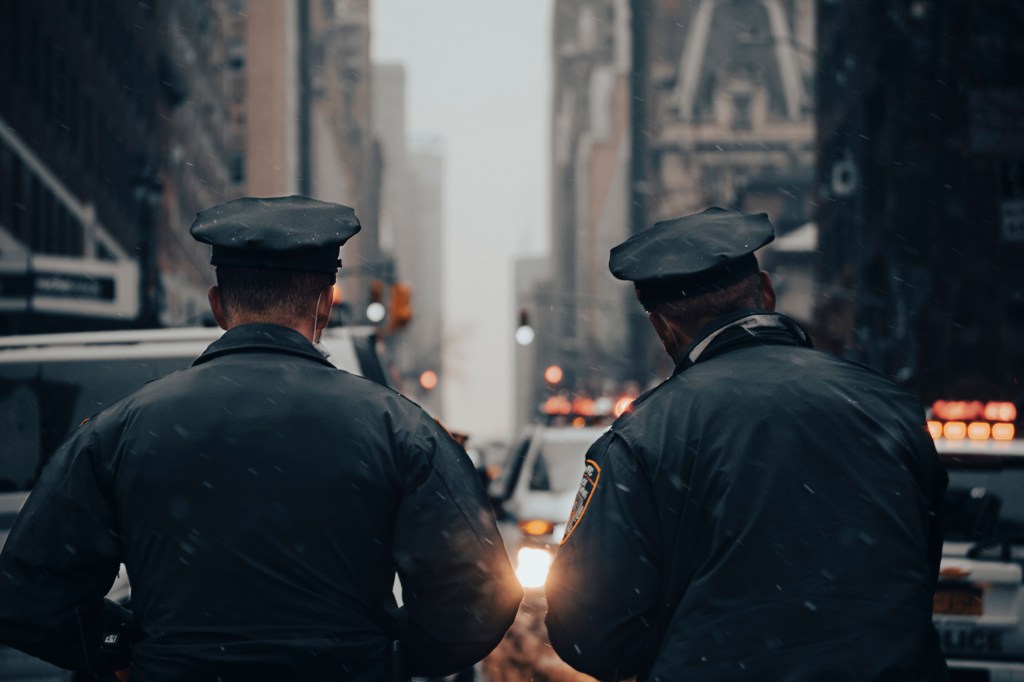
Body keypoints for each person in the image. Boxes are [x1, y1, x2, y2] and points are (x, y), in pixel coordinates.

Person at [0, 195, 523, 681]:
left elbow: (28, 595)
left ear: (217, 306)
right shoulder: (400, 430)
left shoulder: (119, 430)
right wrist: (385, 657)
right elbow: (480, 596)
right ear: (324, 305)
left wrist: (125, 645)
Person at [544, 207, 948, 681]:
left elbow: (587, 631)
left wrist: (683, 644)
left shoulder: (643, 437)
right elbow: (921, 559)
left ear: (662, 328)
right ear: (768, 293)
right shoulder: (889, 406)